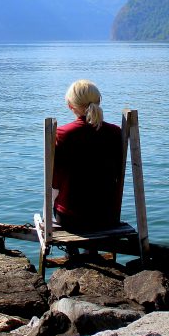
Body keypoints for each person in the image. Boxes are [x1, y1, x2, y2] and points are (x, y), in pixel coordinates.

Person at [52, 79, 123, 232]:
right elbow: (118, 172)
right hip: (108, 216)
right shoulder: (116, 132)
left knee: (60, 203)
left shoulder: (63, 133)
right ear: (99, 101)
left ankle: (75, 252)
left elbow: (55, 180)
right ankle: (90, 251)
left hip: (71, 218)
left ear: (70, 106)